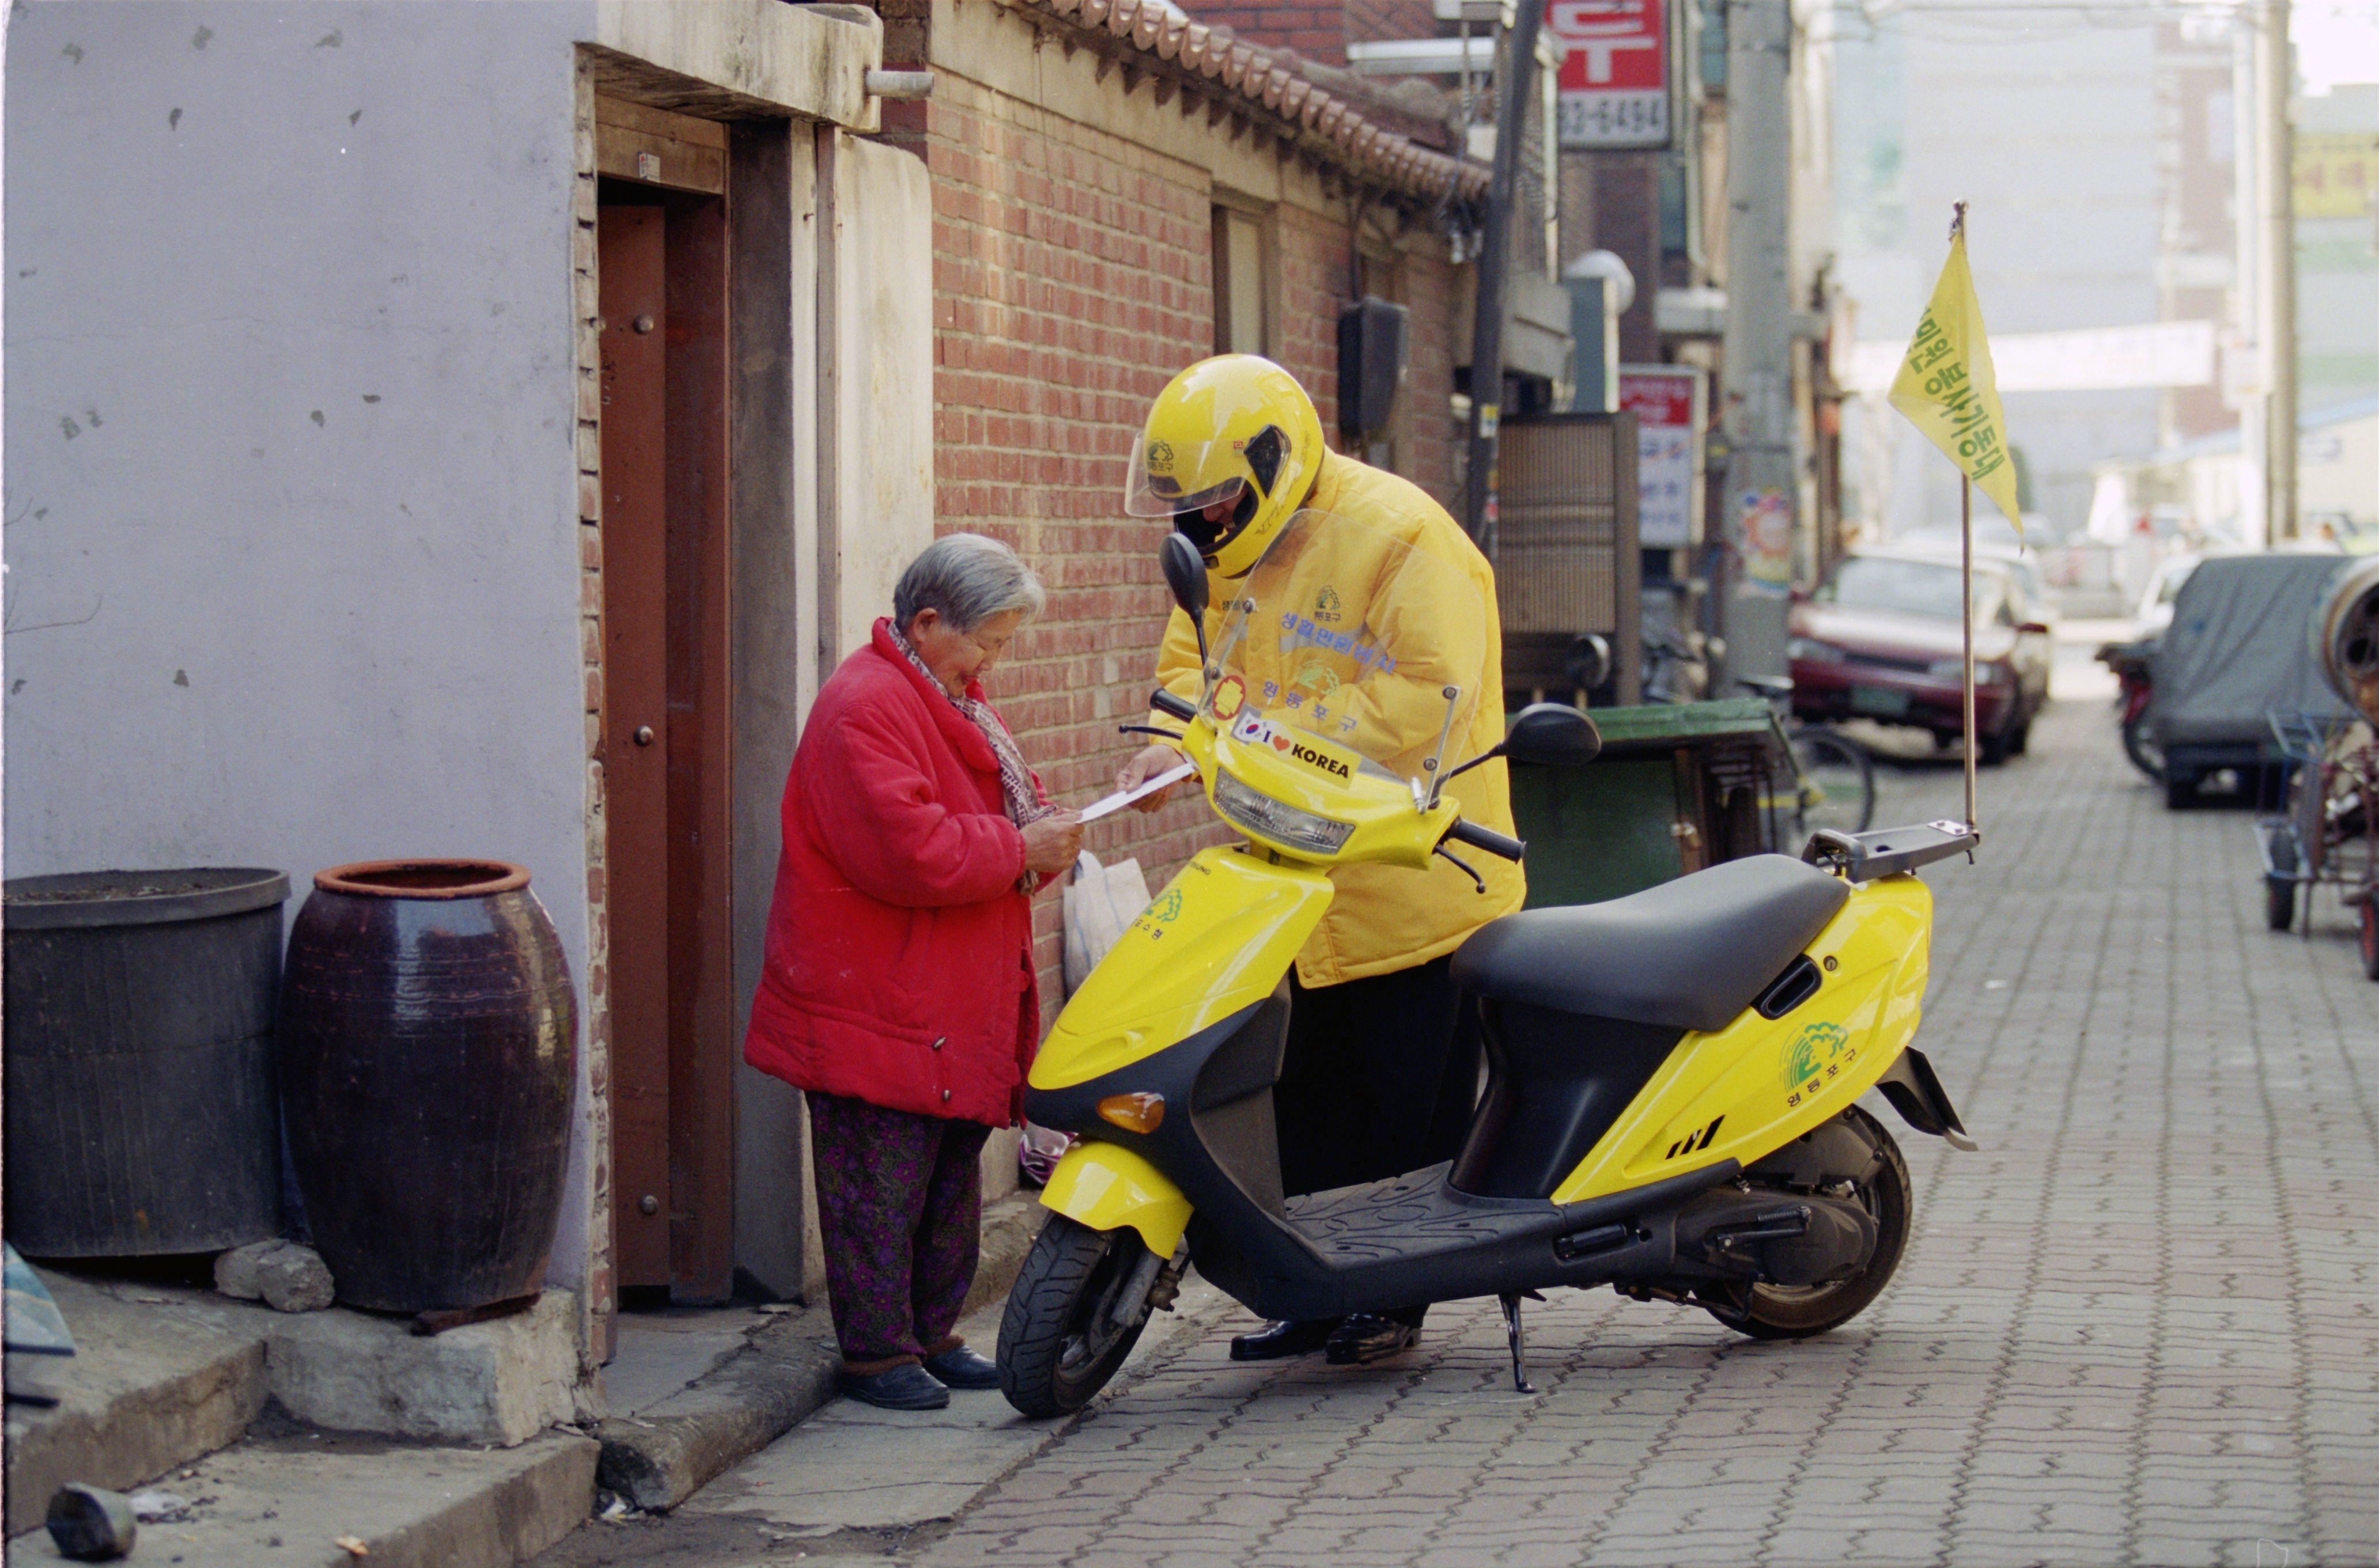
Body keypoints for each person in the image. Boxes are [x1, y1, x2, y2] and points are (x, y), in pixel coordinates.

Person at [1114, 354, 1525, 1365]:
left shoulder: (1405, 537)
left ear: (1273, 462)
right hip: (1291, 887)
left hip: (1413, 890)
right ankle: (1312, 1291)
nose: (1204, 523)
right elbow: (1186, 671)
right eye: (1189, 508)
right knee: (1306, 1106)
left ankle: (1392, 1301)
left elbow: (1425, 696)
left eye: (1216, 500)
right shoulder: (1221, 550)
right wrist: (1181, 741)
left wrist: (1259, 729)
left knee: (1401, 1119)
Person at [744, 533, 1084, 1411]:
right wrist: (1022, 844)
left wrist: (1040, 832)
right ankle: (876, 1352)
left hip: (936, 993)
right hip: (880, 995)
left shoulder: (948, 695)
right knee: (877, 1183)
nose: (991, 661)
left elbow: (982, 815)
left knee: (943, 1176)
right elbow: (909, 849)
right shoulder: (866, 704)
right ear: (929, 623)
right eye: (988, 641)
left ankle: (929, 1333)